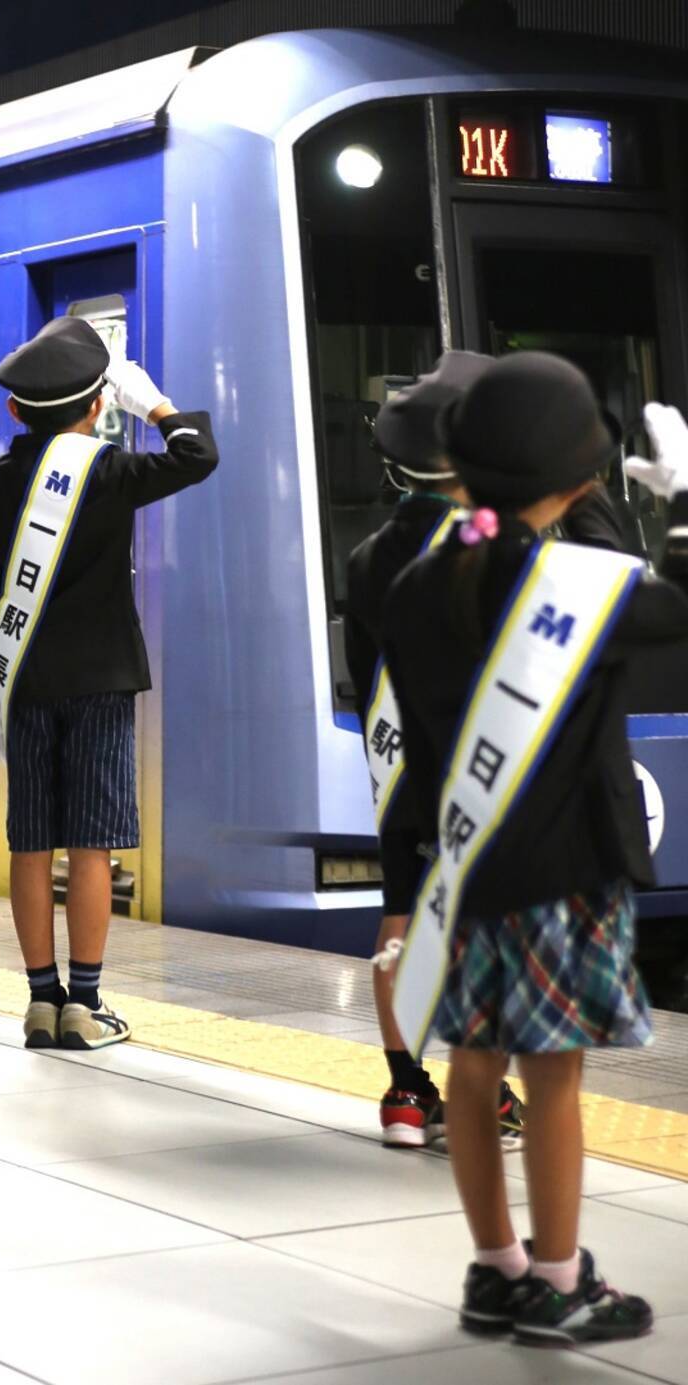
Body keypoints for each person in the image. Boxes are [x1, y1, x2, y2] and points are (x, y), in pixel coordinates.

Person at [382, 352, 667, 1345]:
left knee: (473, 1065)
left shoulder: (420, 581)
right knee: (555, 1081)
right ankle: (560, 1279)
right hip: (562, 883)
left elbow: (418, 752)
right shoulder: (587, 583)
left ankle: (497, 1267)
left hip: (461, 874)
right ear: (582, 475)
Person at [0, 316, 218, 1049]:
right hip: (102, 680)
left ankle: (40, 1003)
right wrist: (158, 406)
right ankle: (86, 1003)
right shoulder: (107, 472)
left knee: (31, 842)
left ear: (15, 411)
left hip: (26, 683)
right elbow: (197, 456)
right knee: (91, 846)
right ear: (98, 406)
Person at [346, 352, 526, 1149]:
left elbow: (362, 673)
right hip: (477, 771)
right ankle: (481, 1093)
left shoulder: (366, 557)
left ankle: (407, 1092)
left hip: (399, 769)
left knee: (402, 912)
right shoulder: (491, 540)